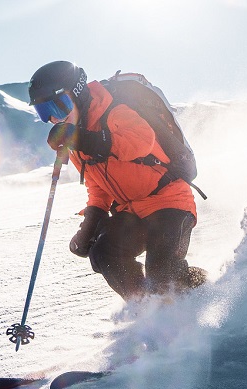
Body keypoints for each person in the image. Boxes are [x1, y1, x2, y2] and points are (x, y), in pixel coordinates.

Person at [27, 61, 204, 301]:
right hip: (131, 211)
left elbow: (141, 141)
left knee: (163, 273)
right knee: (104, 253)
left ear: (78, 94)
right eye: (44, 112)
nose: (54, 118)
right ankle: (145, 308)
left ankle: (202, 293)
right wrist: (92, 221)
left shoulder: (113, 110)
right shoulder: (75, 136)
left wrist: (85, 139)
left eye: (59, 106)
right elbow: (96, 183)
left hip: (169, 201)